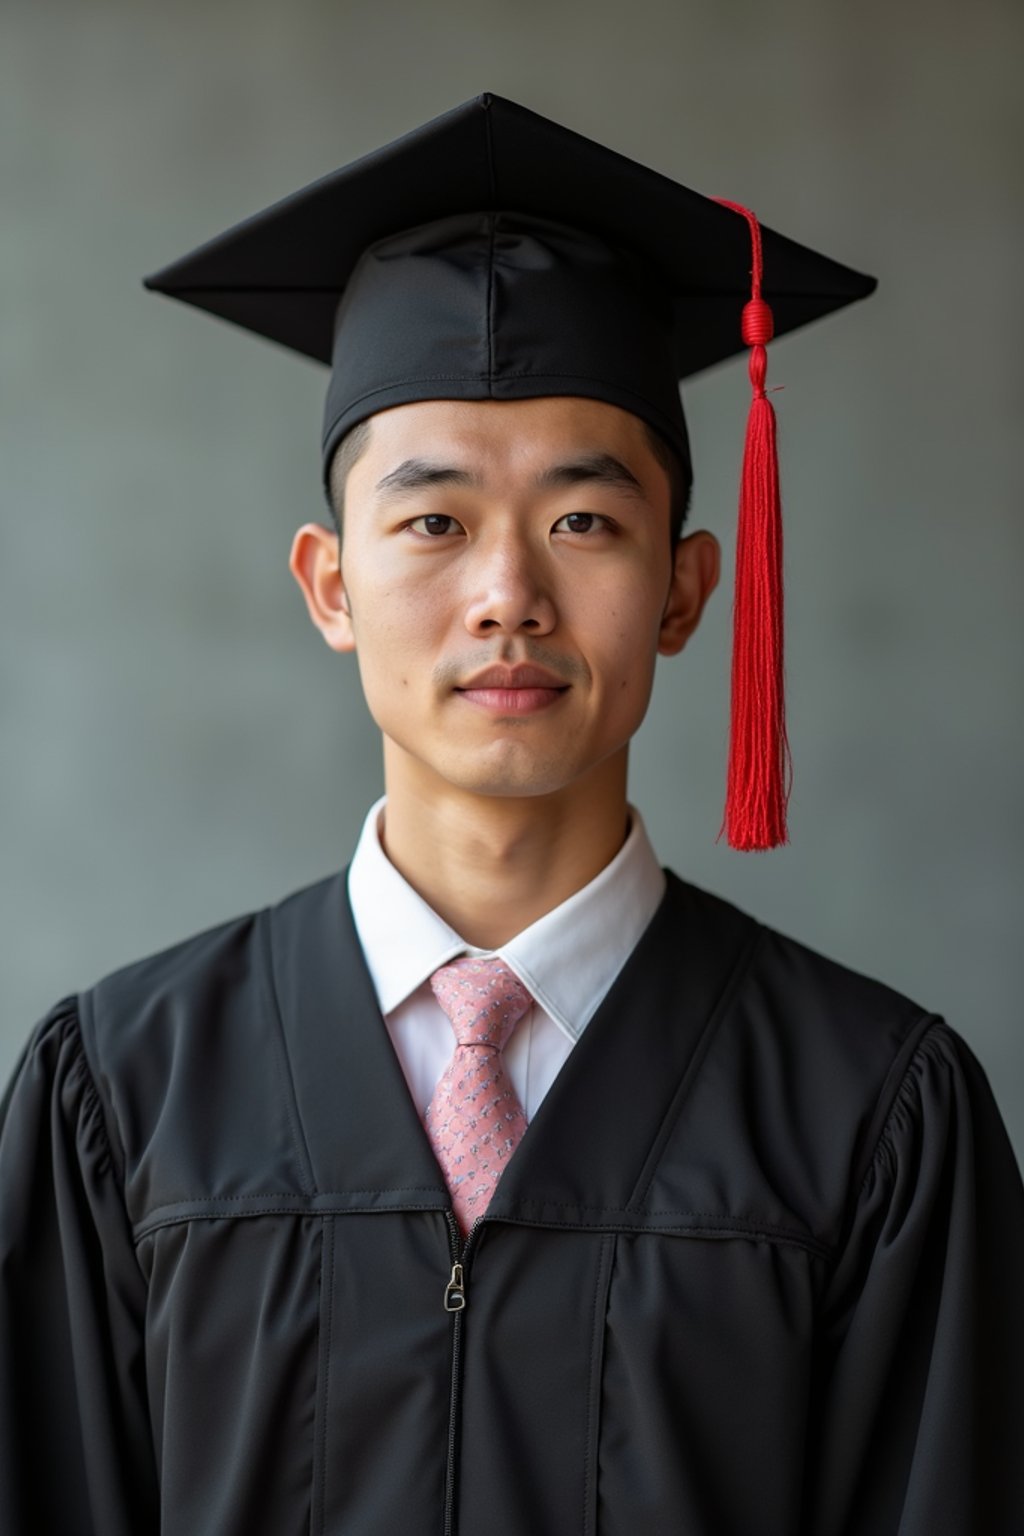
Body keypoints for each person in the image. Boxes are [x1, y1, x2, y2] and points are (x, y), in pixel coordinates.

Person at [1, 92, 1021, 1536]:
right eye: (432, 521)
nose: (507, 595)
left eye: (583, 520)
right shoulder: (121, 1095)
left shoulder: (874, 1118)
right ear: (330, 587)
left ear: (683, 589)